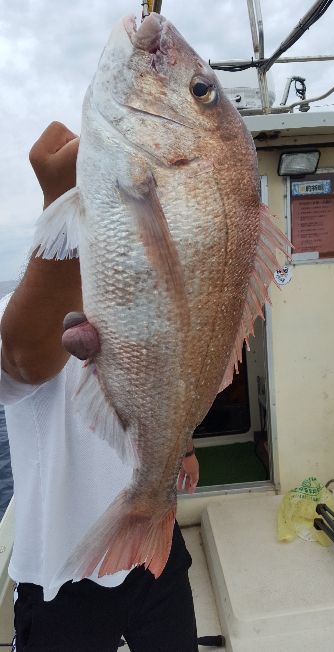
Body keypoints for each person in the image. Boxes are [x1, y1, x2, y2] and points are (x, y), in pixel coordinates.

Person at [0, 121, 200, 652]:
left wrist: (181, 445)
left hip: (154, 547)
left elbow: (168, 376)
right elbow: (20, 362)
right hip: (61, 575)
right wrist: (67, 198)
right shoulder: (22, 314)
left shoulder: (144, 298)